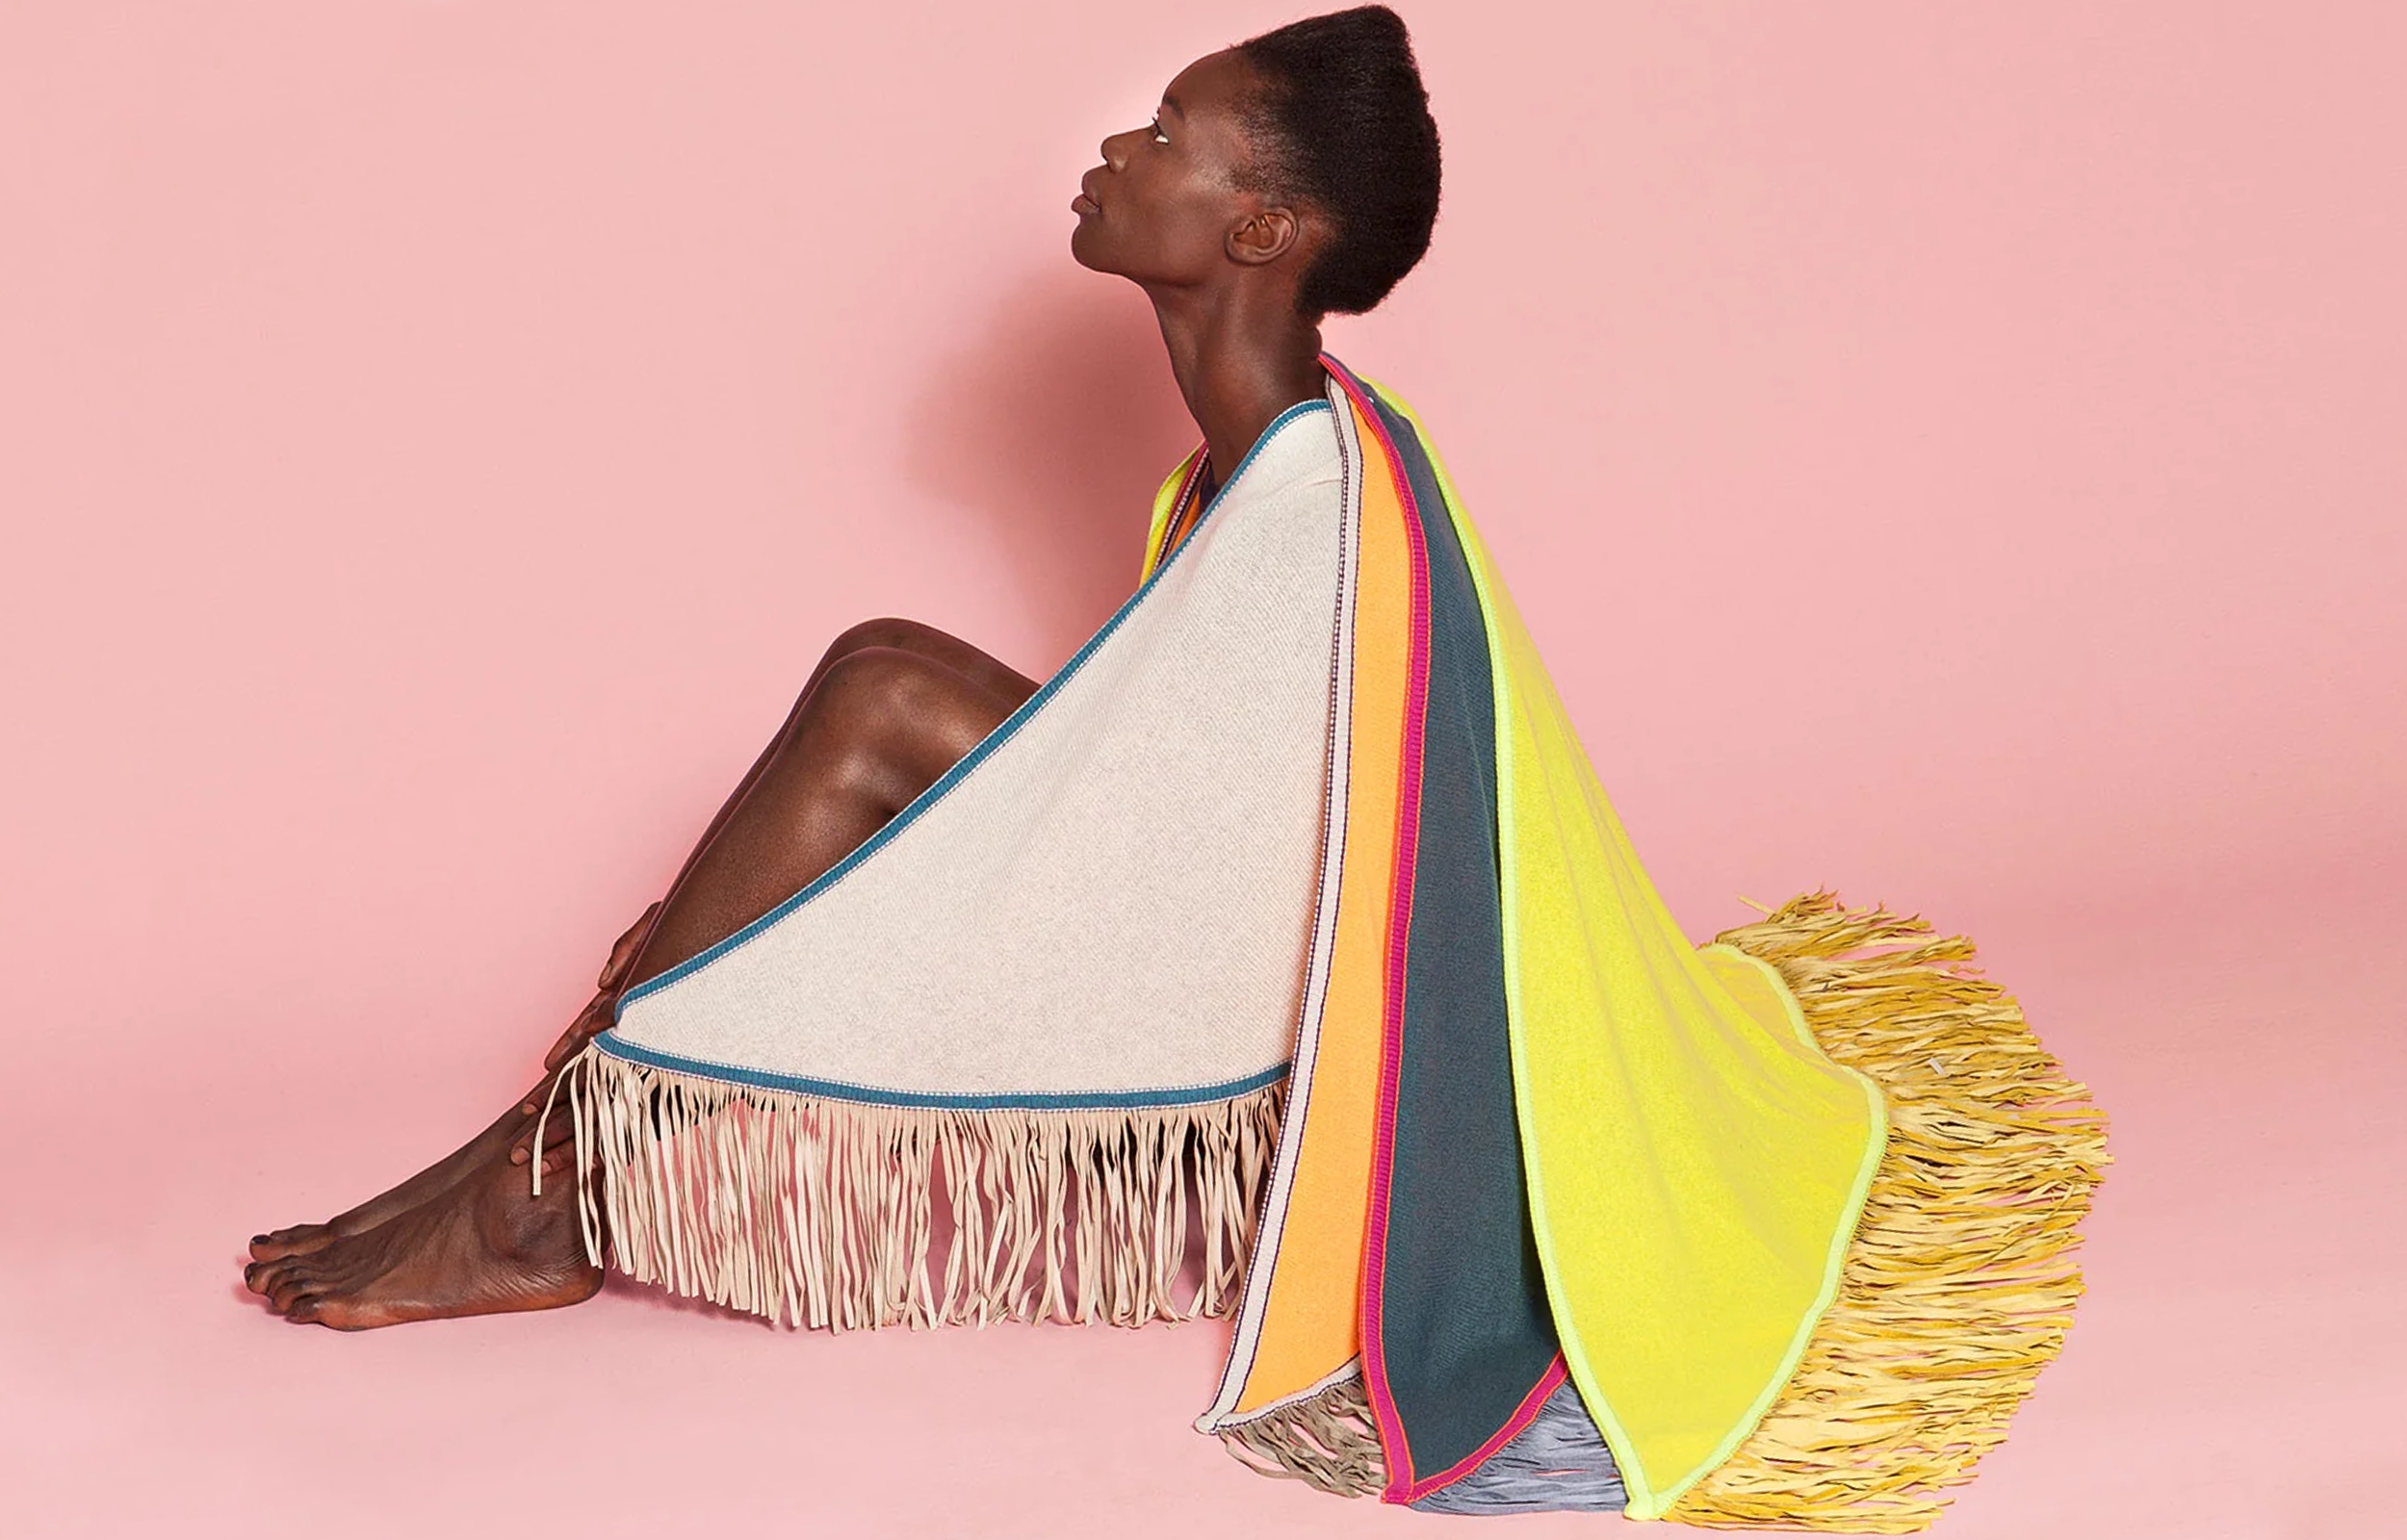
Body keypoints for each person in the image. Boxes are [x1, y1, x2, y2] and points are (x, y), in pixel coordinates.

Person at [245, 10, 2104, 1528]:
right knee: (885, 685)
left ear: (1259, 232)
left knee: (881, 688)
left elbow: (1215, 841)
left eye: (1165, 136)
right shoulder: (1273, 455)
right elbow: (1178, 779)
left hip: (1283, 980)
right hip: (1227, 901)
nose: (1111, 150)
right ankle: (527, 1172)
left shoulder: (1306, 493)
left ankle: (531, 1189)